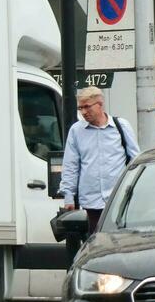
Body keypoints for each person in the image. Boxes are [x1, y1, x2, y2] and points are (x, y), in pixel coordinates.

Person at [59, 86, 138, 251]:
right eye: (80, 108)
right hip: (92, 200)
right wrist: (68, 196)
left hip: (118, 198)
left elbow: (135, 160)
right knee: (96, 245)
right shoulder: (77, 131)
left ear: (100, 104)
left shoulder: (121, 126)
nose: (83, 112)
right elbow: (71, 165)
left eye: (87, 106)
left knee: (120, 244)